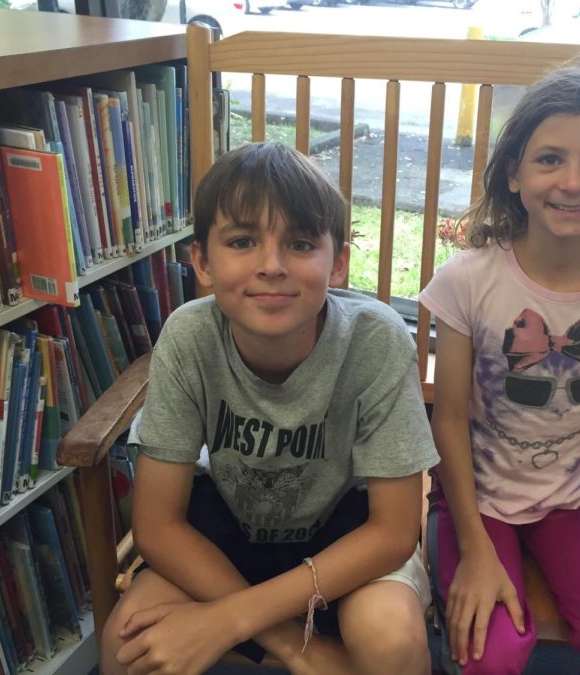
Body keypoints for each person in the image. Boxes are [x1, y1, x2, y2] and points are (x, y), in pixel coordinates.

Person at [102, 142, 439, 675]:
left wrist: (227, 621)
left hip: (347, 538)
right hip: (226, 530)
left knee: (390, 639)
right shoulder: (189, 337)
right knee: (127, 643)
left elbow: (394, 532)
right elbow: (159, 527)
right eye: (242, 241)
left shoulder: (377, 340)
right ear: (203, 262)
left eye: (301, 243)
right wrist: (296, 648)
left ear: (339, 263)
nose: (272, 266)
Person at [419, 65, 580, 675]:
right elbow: (450, 421)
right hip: (475, 500)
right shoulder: (467, 281)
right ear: (513, 173)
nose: (573, 181)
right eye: (548, 159)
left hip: (577, 500)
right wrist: (477, 550)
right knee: (489, 653)